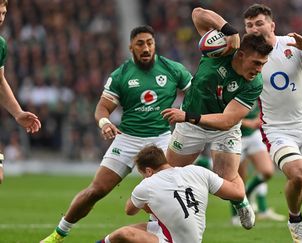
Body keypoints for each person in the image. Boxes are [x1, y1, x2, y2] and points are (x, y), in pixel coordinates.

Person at [40, 25, 192, 243]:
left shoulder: (173, 69)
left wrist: (185, 113)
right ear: (131, 47)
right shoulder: (120, 75)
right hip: (128, 138)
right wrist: (104, 123)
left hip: (161, 139)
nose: (146, 48)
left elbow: (196, 94)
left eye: (150, 42)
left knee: (168, 192)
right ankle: (58, 234)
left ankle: (163, 235)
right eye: (140, 44)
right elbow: (102, 108)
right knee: (97, 190)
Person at [161, 7, 273, 230]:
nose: (259, 70)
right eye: (256, 63)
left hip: (219, 127)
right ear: (240, 54)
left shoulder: (254, 84)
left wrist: (188, 116)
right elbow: (196, 13)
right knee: (164, 175)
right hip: (191, 123)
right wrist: (228, 30)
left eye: (263, 64)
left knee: (231, 184)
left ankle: (241, 202)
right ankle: (159, 220)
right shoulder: (222, 49)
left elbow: (227, 121)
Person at [243, 4, 302, 242]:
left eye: (259, 23)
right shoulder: (244, 56)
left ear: (272, 25)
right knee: (298, 174)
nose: (254, 28)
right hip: (276, 129)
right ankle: (294, 220)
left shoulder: (292, 44)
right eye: (249, 25)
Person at [96, 145, 245, 243]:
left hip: (174, 241)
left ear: (148, 171)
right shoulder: (197, 171)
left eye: (143, 174)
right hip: (190, 237)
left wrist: (148, 204)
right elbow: (237, 193)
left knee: (125, 234)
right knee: (134, 229)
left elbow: (129, 210)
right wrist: (233, 172)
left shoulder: (147, 184)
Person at [0, 0, 41, 184]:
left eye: (3, 13)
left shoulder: (0, 45)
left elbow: (0, 82)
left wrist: (17, 113)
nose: (1, 18)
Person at [231, 101, 285, 225]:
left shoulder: (257, 84)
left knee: (267, 171)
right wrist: (246, 122)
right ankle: (237, 216)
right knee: (237, 179)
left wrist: (259, 118)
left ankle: (249, 192)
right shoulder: (231, 85)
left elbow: (265, 106)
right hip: (234, 135)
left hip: (253, 135)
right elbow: (223, 113)